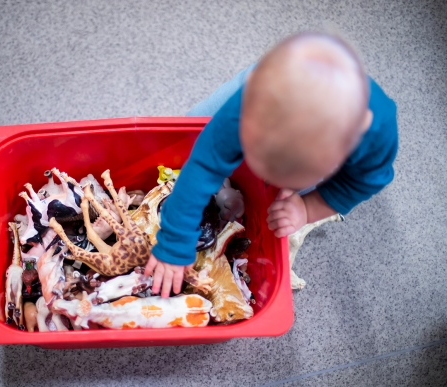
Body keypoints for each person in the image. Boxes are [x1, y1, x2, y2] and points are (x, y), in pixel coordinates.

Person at [144, 32, 398, 297]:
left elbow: (359, 183)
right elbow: (204, 164)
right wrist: (174, 242)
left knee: (291, 194)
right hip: (255, 96)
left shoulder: (375, 137)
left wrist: (307, 207)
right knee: (196, 128)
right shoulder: (249, 102)